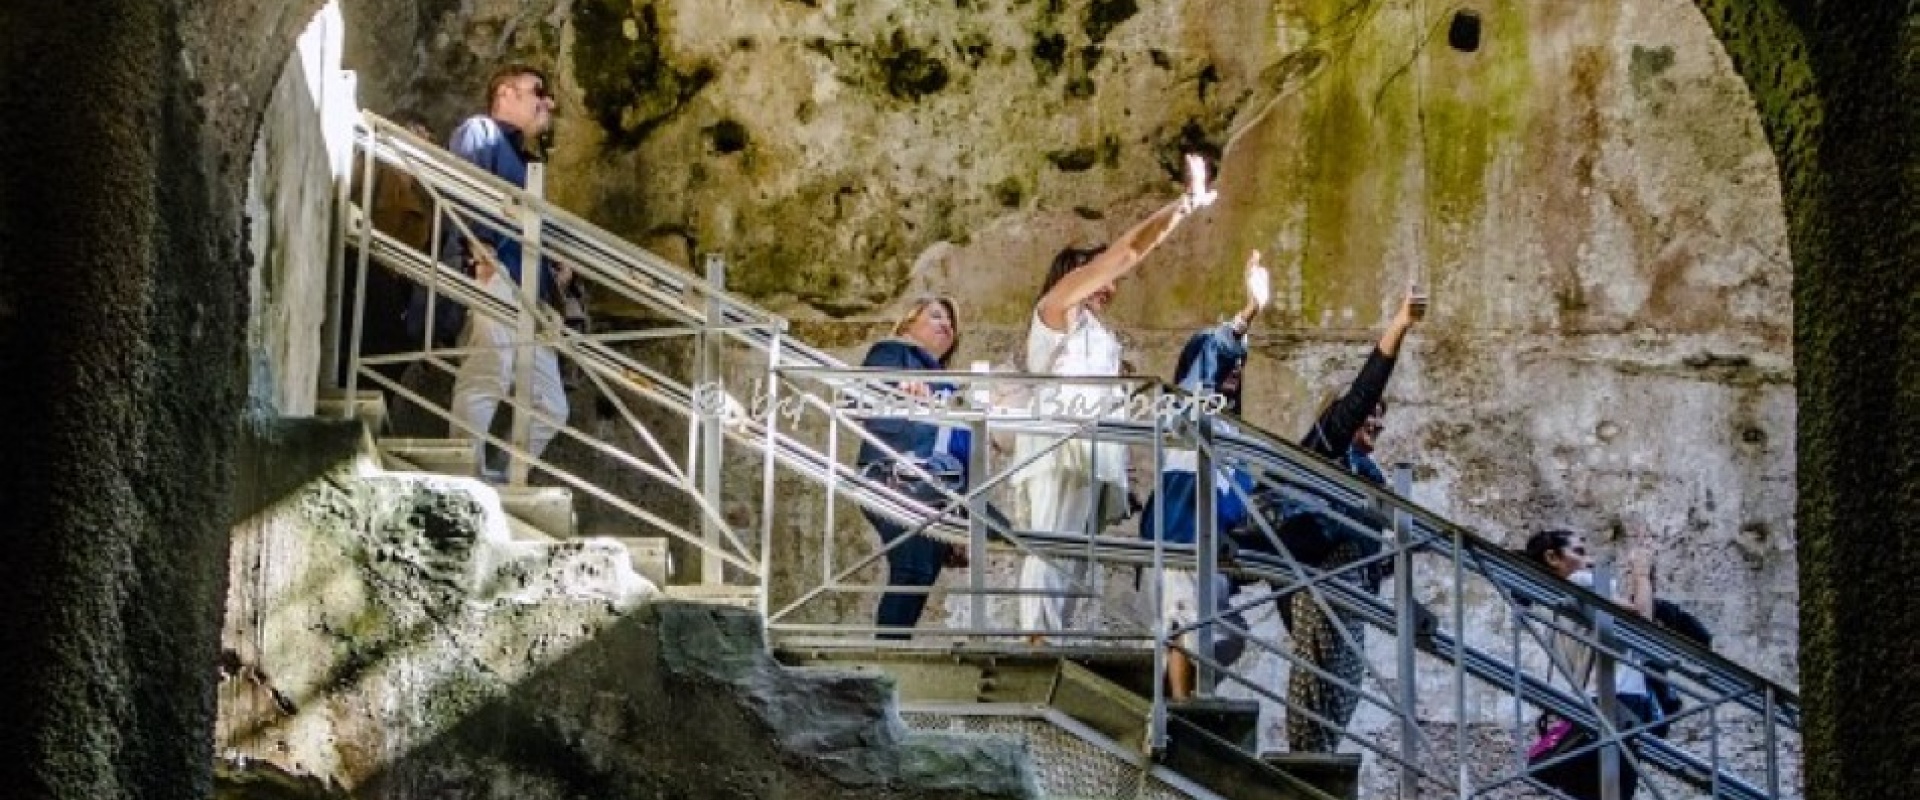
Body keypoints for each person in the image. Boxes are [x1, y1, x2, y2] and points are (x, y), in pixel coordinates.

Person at [1015, 154, 1220, 644]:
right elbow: (1127, 252)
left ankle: (1052, 639)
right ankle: (1037, 638)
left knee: (1071, 553)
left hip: (1091, 443)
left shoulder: (1097, 334)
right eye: (1099, 277)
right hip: (1059, 440)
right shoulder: (1056, 308)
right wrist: (1181, 207)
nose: (1110, 287)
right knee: (1052, 541)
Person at [1261, 287, 1422, 753]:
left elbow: (1376, 554)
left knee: (1344, 685)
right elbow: (1363, 390)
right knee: (1319, 680)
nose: (1377, 422)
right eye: (1370, 414)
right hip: (1320, 585)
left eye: (1381, 417)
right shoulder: (1325, 452)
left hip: (1351, 594)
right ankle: (1307, 766)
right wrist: (1399, 327)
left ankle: (1318, 760)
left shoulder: (1369, 477)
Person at [1138, 249, 1267, 698]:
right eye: (1230, 363)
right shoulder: (1187, 410)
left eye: (1240, 366)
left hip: (1212, 543)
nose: (1235, 370)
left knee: (1210, 627)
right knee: (1184, 620)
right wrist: (1247, 314)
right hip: (1182, 531)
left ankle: (1185, 703)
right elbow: (1212, 354)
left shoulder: (1232, 432)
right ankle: (1182, 706)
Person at [445, 64, 571, 481]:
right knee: (490, 369)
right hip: (494, 270)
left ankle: (500, 477)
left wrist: (554, 266)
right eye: (538, 90)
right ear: (505, 93)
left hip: (528, 290)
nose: (547, 102)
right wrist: (478, 245)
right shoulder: (481, 132)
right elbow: (465, 184)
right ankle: (465, 473)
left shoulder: (522, 159)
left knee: (552, 406)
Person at [855, 297, 973, 639]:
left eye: (951, 322)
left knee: (922, 572)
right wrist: (898, 388)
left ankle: (895, 646)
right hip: (894, 475)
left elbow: (958, 450)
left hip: (939, 491)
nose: (946, 325)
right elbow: (869, 389)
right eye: (935, 316)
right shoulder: (893, 353)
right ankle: (887, 654)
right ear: (908, 323)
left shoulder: (950, 386)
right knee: (910, 566)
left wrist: (961, 522)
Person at [1522, 528, 1660, 800]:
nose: (1591, 561)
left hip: (1589, 704)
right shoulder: (1579, 580)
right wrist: (1642, 574)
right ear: (1552, 558)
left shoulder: (1551, 605)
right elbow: (1641, 621)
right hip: (1618, 698)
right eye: (1579, 552)